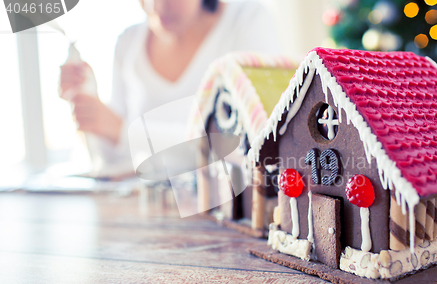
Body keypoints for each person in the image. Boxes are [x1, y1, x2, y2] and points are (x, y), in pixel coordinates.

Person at [59, 0, 281, 175]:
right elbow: (114, 162)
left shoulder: (247, 20)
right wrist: (88, 99)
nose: (156, 6)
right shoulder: (128, 42)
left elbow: (243, 147)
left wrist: (125, 132)